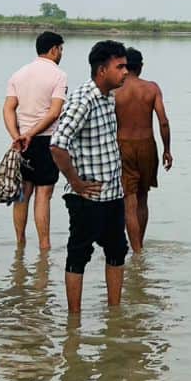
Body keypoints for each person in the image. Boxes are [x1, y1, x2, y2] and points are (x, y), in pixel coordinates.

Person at [50, 40, 129, 313]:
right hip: (87, 196)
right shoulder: (84, 98)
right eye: (120, 67)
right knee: (78, 256)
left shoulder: (108, 97)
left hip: (112, 194)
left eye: (126, 66)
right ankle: (74, 320)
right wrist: (75, 182)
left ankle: (114, 312)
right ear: (101, 70)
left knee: (118, 252)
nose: (125, 72)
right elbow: (58, 144)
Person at [3, 30, 68, 251]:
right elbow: (54, 112)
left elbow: (9, 108)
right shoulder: (58, 75)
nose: (61, 54)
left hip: (21, 141)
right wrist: (31, 134)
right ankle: (44, 245)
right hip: (45, 140)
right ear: (54, 49)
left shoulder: (18, 74)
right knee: (43, 194)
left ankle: (20, 242)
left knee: (22, 194)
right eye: (60, 49)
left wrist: (17, 136)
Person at [113, 46, 172, 252]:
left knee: (129, 200)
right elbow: (163, 122)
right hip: (147, 145)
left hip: (122, 145)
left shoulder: (115, 90)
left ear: (125, 67)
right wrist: (167, 150)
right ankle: (139, 247)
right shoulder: (152, 88)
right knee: (142, 198)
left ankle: (136, 249)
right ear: (141, 66)